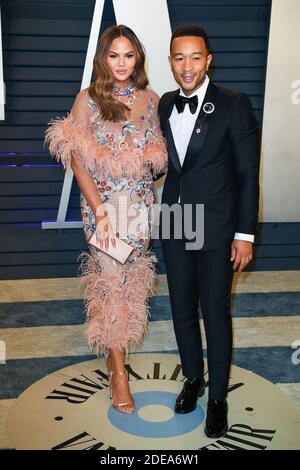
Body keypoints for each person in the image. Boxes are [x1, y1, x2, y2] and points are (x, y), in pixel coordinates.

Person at [45, 25, 167, 414]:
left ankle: (118, 352)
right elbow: (77, 161)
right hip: (103, 210)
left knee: (131, 286)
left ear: (138, 59)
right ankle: (118, 373)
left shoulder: (151, 100)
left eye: (128, 55)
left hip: (140, 209)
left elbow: (160, 159)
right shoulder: (88, 100)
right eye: (114, 55)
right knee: (111, 286)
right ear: (103, 58)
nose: (121, 63)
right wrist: (100, 209)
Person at [158, 25, 260, 438]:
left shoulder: (234, 104)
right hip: (175, 221)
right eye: (179, 58)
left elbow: (248, 175)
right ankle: (193, 379)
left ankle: (218, 397)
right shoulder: (164, 104)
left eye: (195, 57)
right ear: (169, 61)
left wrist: (245, 234)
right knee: (182, 310)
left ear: (208, 60)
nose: (187, 66)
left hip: (215, 224)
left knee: (214, 312)